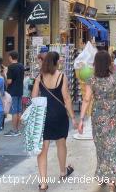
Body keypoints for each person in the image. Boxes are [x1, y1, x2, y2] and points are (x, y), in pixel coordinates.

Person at [79, 50, 116, 190]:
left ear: (95, 63)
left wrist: (82, 119)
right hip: (114, 115)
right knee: (114, 146)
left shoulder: (92, 80)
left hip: (99, 116)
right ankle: (111, 180)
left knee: (101, 146)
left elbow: (87, 99)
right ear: (109, 63)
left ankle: (105, 176)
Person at [32, 52, 77, 191]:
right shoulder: (62, 76)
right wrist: (73, 117)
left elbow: (33, 96)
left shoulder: (39, 77)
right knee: (61, 143)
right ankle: (63, 172)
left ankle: (43, 183)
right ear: (56, 62)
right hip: (59, 114)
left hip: (44, 115)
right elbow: (67, 98)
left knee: (43, 149)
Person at [4, 50, 24, 136]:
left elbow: (9, 81)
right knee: (19, 110)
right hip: (20, 90)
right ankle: (18, 129)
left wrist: (5, 73)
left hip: (13, 91)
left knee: (14, 112)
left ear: (11, 57)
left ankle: (14, 130)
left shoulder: (11, 67)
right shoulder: (21, 66)